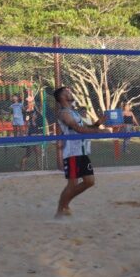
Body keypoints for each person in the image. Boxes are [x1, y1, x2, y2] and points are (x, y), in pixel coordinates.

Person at [54, 87, 106, 218]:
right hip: (72, 153)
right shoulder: (64, 113)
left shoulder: (73, 112)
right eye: (67, 92)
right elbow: (78, 129)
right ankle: (60, 210)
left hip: (81, 151)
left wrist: (97, 124)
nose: (70, 93)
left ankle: (65, 204)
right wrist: (99, 132)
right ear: (62, 97)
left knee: (90, 181)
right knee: (72, 185)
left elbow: (84, 128)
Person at [19, 104, 43, 170]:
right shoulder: (29, 120)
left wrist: (35, 107)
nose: (35, 115)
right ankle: (22, 166)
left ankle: (39, 167)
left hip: (36, 138)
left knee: (38, 153)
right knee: (28, 154)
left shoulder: (37, 120)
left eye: (35, 114)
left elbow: (38, 113)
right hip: (31, 139)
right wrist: (26, 135)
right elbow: (27, 127)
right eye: (34, 114)